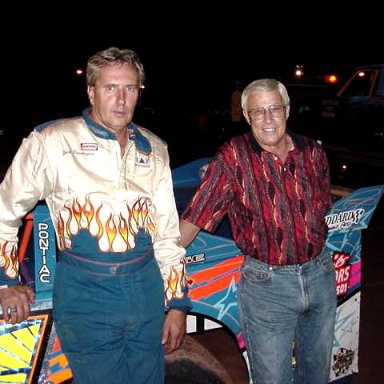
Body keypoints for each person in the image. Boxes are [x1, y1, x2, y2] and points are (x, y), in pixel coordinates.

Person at [0, 47, 191, 384]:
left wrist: (176, 303)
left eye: (130, 88)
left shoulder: (154, 148)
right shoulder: (52, 141)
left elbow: (167, 235)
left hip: (145, 287)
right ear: (91, 91)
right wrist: (7, 281)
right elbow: (5, 211)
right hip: (86, 290)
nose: (121, 99)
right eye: (110, 88)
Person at [179, 78, 337, 384]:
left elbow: (322, 211)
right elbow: (194, 218)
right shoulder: (232, 159)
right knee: (272, 379)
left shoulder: (313, 153)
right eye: (258, 111)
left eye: (274, 109)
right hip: (268, 286)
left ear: (287, 110)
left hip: (320, 276)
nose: (267, 119)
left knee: (316, 375)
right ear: (247, 116)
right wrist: (150, 262)